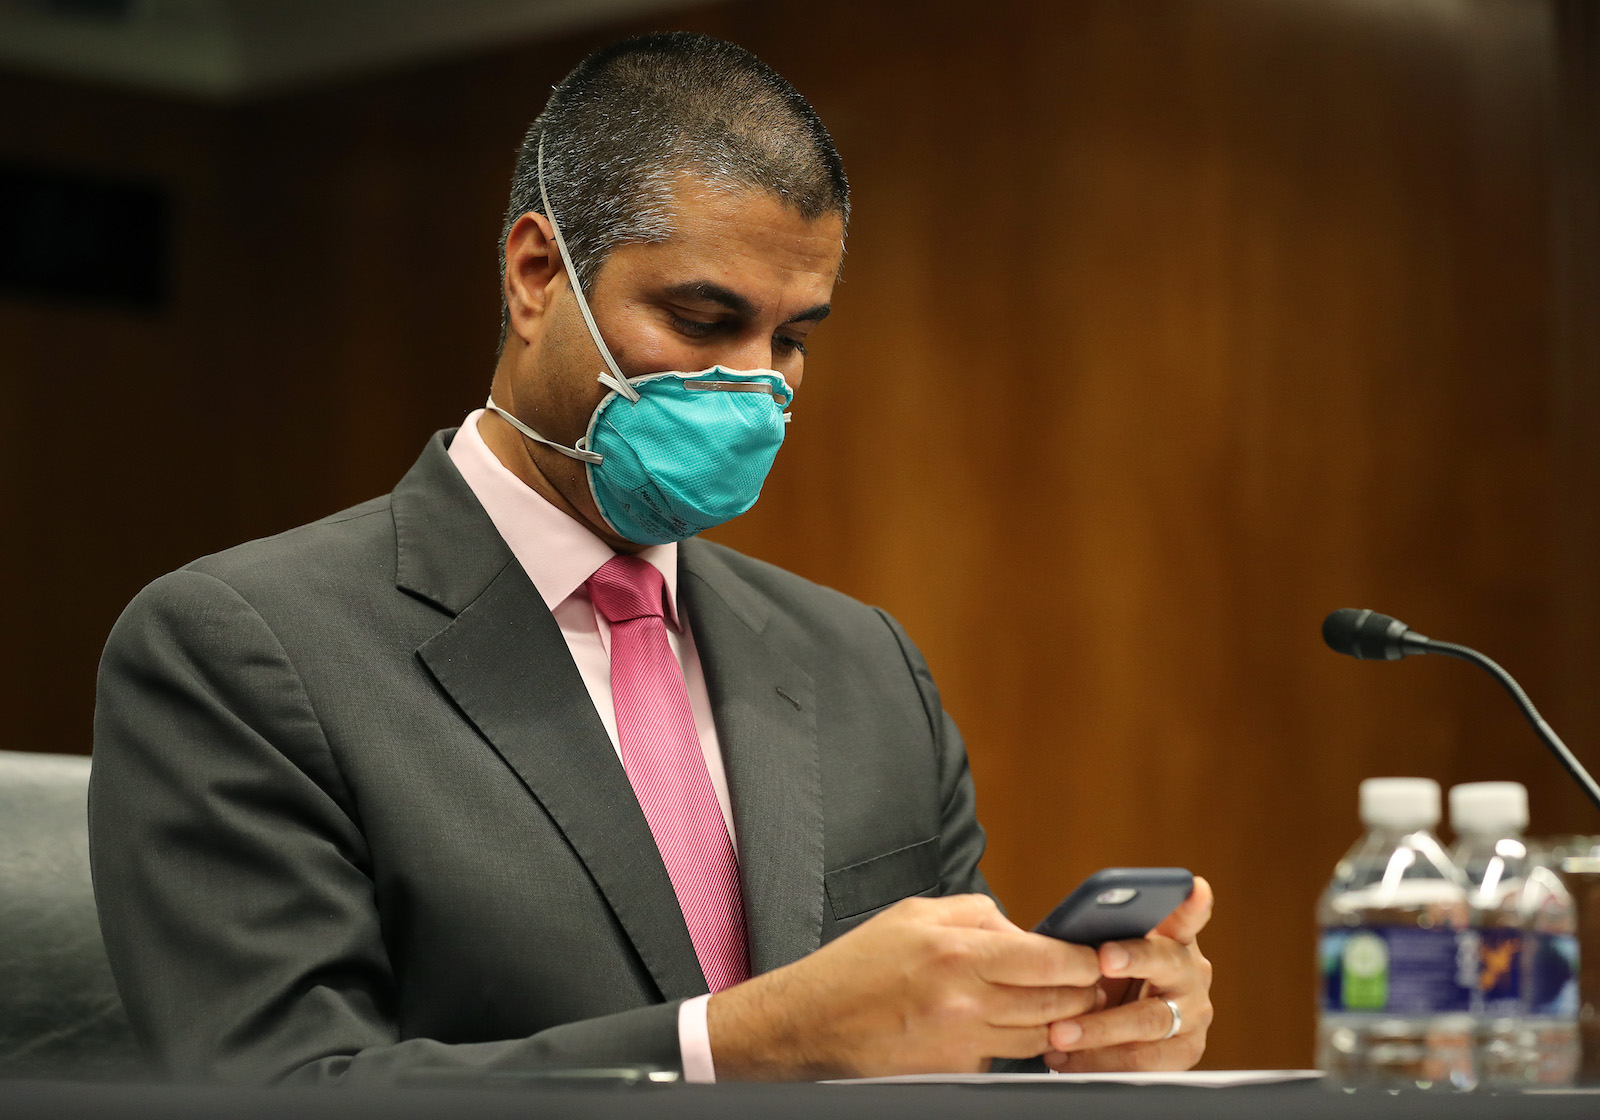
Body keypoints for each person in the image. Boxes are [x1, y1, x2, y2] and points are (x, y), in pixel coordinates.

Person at [88, 31, 1213, 1084]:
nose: (753, 383)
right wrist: (746, 1040)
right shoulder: (241, 646)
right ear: (536, 274)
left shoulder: (864, 664)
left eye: (792, 338)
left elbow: (930, 1049)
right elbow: (280, 1087)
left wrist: (1069, 1041)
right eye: (700, 317)